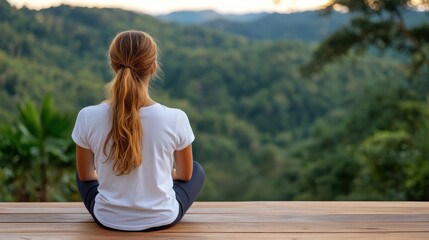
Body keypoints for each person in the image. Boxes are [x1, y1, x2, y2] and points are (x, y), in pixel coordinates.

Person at [71, 30, 205, 231]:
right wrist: (156, 172)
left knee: (80, 171)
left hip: (107, 219)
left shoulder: (87, 116)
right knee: (197, 171)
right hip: (162, 218)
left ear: (113, 65)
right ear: (153, 67)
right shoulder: (176, 118)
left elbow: (86, 175)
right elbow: (186, 175)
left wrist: (112, 174)